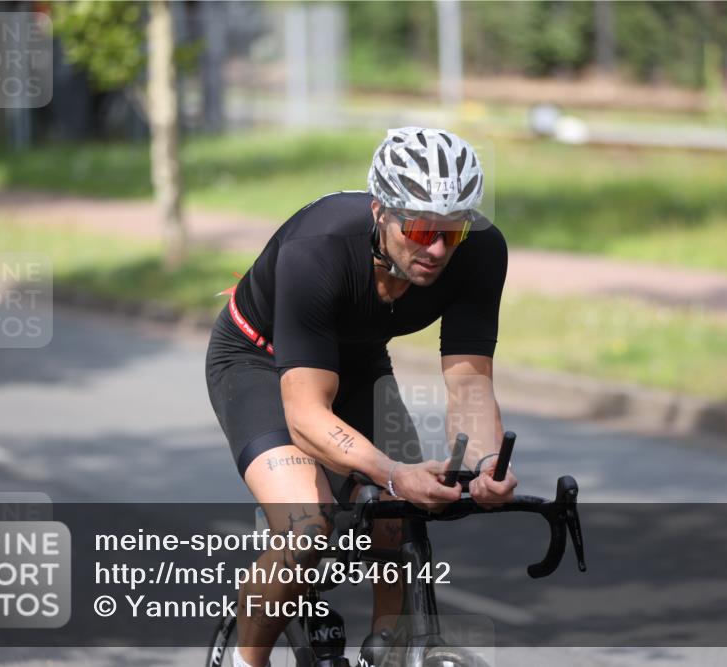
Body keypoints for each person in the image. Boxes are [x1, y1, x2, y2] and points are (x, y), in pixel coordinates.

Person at [205, 127, 516, 667]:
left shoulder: (482, 252)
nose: (437, 249)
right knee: (307, 525)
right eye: (419, 228)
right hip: (258, 358)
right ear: (381, 212)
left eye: (453, 231)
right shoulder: (318, 250)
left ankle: (387, 655)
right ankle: (245, 662)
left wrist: (486, 464)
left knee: (395, 519)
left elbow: (469, 382)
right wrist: (393, 471)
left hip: (356, 358)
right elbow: (305, 415)